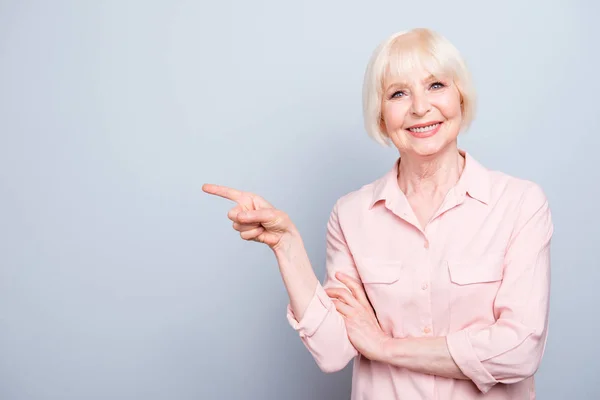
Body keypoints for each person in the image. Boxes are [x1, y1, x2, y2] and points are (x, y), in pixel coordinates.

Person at [202, 27, 553, 400]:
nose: (420, 107)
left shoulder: (520, 204)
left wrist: (384, 347)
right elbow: (334, 351)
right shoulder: (352, 215)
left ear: (461, 98)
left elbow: (520, 350)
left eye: (436, 85)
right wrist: (286, 246)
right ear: (382, 117)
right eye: (398, 93)